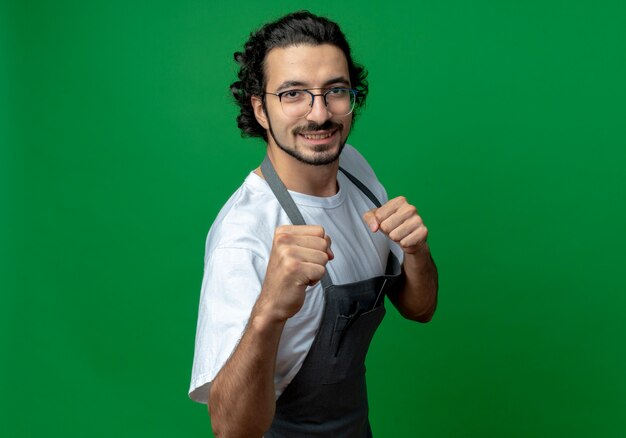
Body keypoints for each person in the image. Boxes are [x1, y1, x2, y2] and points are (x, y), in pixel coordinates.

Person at [189, 10, 438, 437]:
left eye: (335, 91)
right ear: (260, 109)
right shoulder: (244, 236)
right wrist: (269, 310)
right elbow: (230, 429)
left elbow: (420, 309)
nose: (320, 114)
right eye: (293, 94)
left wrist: (416, 252)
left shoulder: (355, 170)